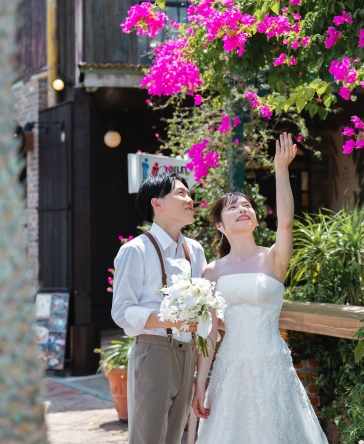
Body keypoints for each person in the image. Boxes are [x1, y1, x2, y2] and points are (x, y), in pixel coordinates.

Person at [193, 132, 328, 443]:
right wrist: (201, 383)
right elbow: (208, 333)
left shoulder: (273, 258)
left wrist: (281, 169)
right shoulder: (211, 272)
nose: (242, 209)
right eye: (232, 207)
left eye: (247, 206)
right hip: (230, 370)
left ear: (254, 218)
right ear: (219, 225)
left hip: (272, 365)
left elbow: (286, 223)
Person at [111, 172, 208, 444]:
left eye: (189, 194)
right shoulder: (136, 250)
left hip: (187, 352)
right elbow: (121, 311)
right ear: (157, 203)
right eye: (180, 193)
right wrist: (169, 320)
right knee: (149, 437)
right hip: (153, 352)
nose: (189, 199)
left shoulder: (195, 250)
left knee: (175, 437)